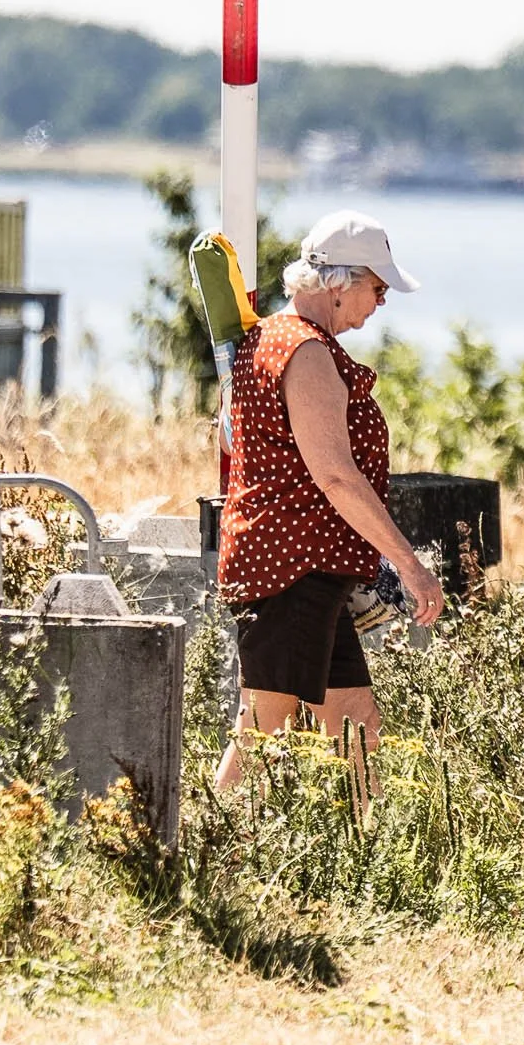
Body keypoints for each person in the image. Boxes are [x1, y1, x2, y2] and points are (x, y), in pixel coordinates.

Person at [214, 210, 447, 795]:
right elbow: (336, 477)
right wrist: (411, 566)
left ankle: (362, 867)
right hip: (291, 573)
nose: (382, 302)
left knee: (356, 728)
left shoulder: (269, 337)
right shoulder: (306, 352)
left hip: (303, 573)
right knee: (261, 738)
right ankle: (192, 863)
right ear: (340, 283)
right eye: (378, 287)